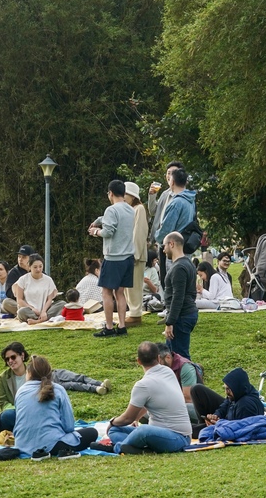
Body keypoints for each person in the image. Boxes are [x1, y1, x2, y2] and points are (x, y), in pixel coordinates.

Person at [91, 341, 191, 455]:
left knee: (142, 430)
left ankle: (118, 448)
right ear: (158, 358)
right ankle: (141, 449)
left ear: (138, 361)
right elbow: (147, 404)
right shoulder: (168, 371)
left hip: (177, 438)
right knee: (116, 430)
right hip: (163, 435)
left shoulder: (143, 385)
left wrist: (112, 422)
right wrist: (133, 420)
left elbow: (127, 418)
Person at [13, 355, 100, 460]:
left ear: (29, 373)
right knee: (92, 432)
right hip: (52, 445)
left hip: (22, 445)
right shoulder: (58, 389)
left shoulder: (20, 391)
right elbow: (69, 426)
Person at [89, 180, 135, 337]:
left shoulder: (111, 209)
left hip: (113, 257)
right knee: (120, 293)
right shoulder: (131, 210)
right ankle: (122, 326)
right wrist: (99, 220)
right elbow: (115, 220)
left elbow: (108, 231)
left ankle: (108, 327)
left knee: (106, 292)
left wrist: (95, 231)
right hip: (128, 257)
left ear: (110, 193)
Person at [190, 367, 266, 438]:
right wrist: (215, 416)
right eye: (225, 388)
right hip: (224, 423)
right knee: (196, 389)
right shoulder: (237, 394)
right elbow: (224, 406)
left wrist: (219, 423)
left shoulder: (245, 404)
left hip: (229, 427)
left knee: (191, 431)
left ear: (237, 387)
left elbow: (238, 429)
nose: (226, 392)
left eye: (228, 389)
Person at [155, 168, 196, 286]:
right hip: (185, 246)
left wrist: (156, 237)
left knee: (173, 286)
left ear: (172, 182)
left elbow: (166, 230)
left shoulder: (176, 203)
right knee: (184, 285)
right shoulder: (190, 200)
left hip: (174, 249)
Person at [161, 232, 198, 360]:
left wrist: (170, 322)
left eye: (164, 246)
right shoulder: (188, 264)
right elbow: (192, 294)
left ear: (171, 244)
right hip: (185, 314)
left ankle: (192, 378)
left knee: (180, 358)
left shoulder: (179, 268)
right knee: (171, 355)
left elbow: (178, 297)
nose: (163, 250)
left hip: (181, 316)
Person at [156, 343, 203, 425]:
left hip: (193, 407)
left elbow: (188, 399)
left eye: (158, 362)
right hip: (171, 406)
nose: (156, 366)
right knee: (143, 413)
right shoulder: (159, 369)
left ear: (168, 357)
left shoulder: (185, 367)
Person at [123, 181, 148, 327]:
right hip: (128, 253)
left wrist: (135, 254)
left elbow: (139, 232)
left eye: (126, 194)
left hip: (135, 255)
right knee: (127, 286)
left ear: (133, 196)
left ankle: (136, 314)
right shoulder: (128, 210)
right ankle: (132, 312)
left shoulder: (139, 209)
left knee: (134, 286)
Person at [14, 254, 65, 324]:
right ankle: (44, 319)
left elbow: (50, 299)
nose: (38, 269)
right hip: (30, 311)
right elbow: (19, 300)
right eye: (35, 267)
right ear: (29, 267)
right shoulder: (23, 279)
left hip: (46, 310)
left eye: (40, 266)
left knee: (62, 304)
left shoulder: (48, 280)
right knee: (21, 312)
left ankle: (38, 321)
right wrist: (32, 309)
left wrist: (44, 311)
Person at [147, 160, 184, 246]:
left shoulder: (181, 196)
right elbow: (153, 211)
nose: (170, 176)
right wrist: (152, 195)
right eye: (168, 173)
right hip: (160, 240)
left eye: (173, 173)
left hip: (173, 242)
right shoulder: (165, 194)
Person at [2, 245, 34, 315]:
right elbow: (9, 292)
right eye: (19, 257)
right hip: (21, 303)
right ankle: (31, 314)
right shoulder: (14, 272)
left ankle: (31, 314)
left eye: (24, 257)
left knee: (61, 304)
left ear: (31, 258)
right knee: (6, 303)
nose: (20, 259)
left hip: (37, 301)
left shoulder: (36, 269)